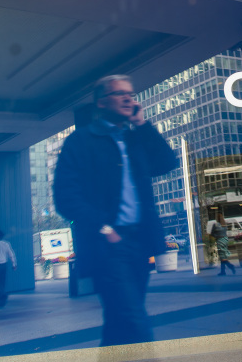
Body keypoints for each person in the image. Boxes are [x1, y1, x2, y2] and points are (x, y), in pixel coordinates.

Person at [54, 74, 177, 347]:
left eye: (130, 94)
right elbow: (65, 197)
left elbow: (167, 162)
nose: (127, 98)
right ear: (101, 102)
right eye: (119, 93)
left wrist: (142, 124)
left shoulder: (135, 139)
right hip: (107, 245)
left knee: (119, 323)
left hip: (139, 242)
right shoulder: (81, 141)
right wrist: (104, 228)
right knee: (134, 319)